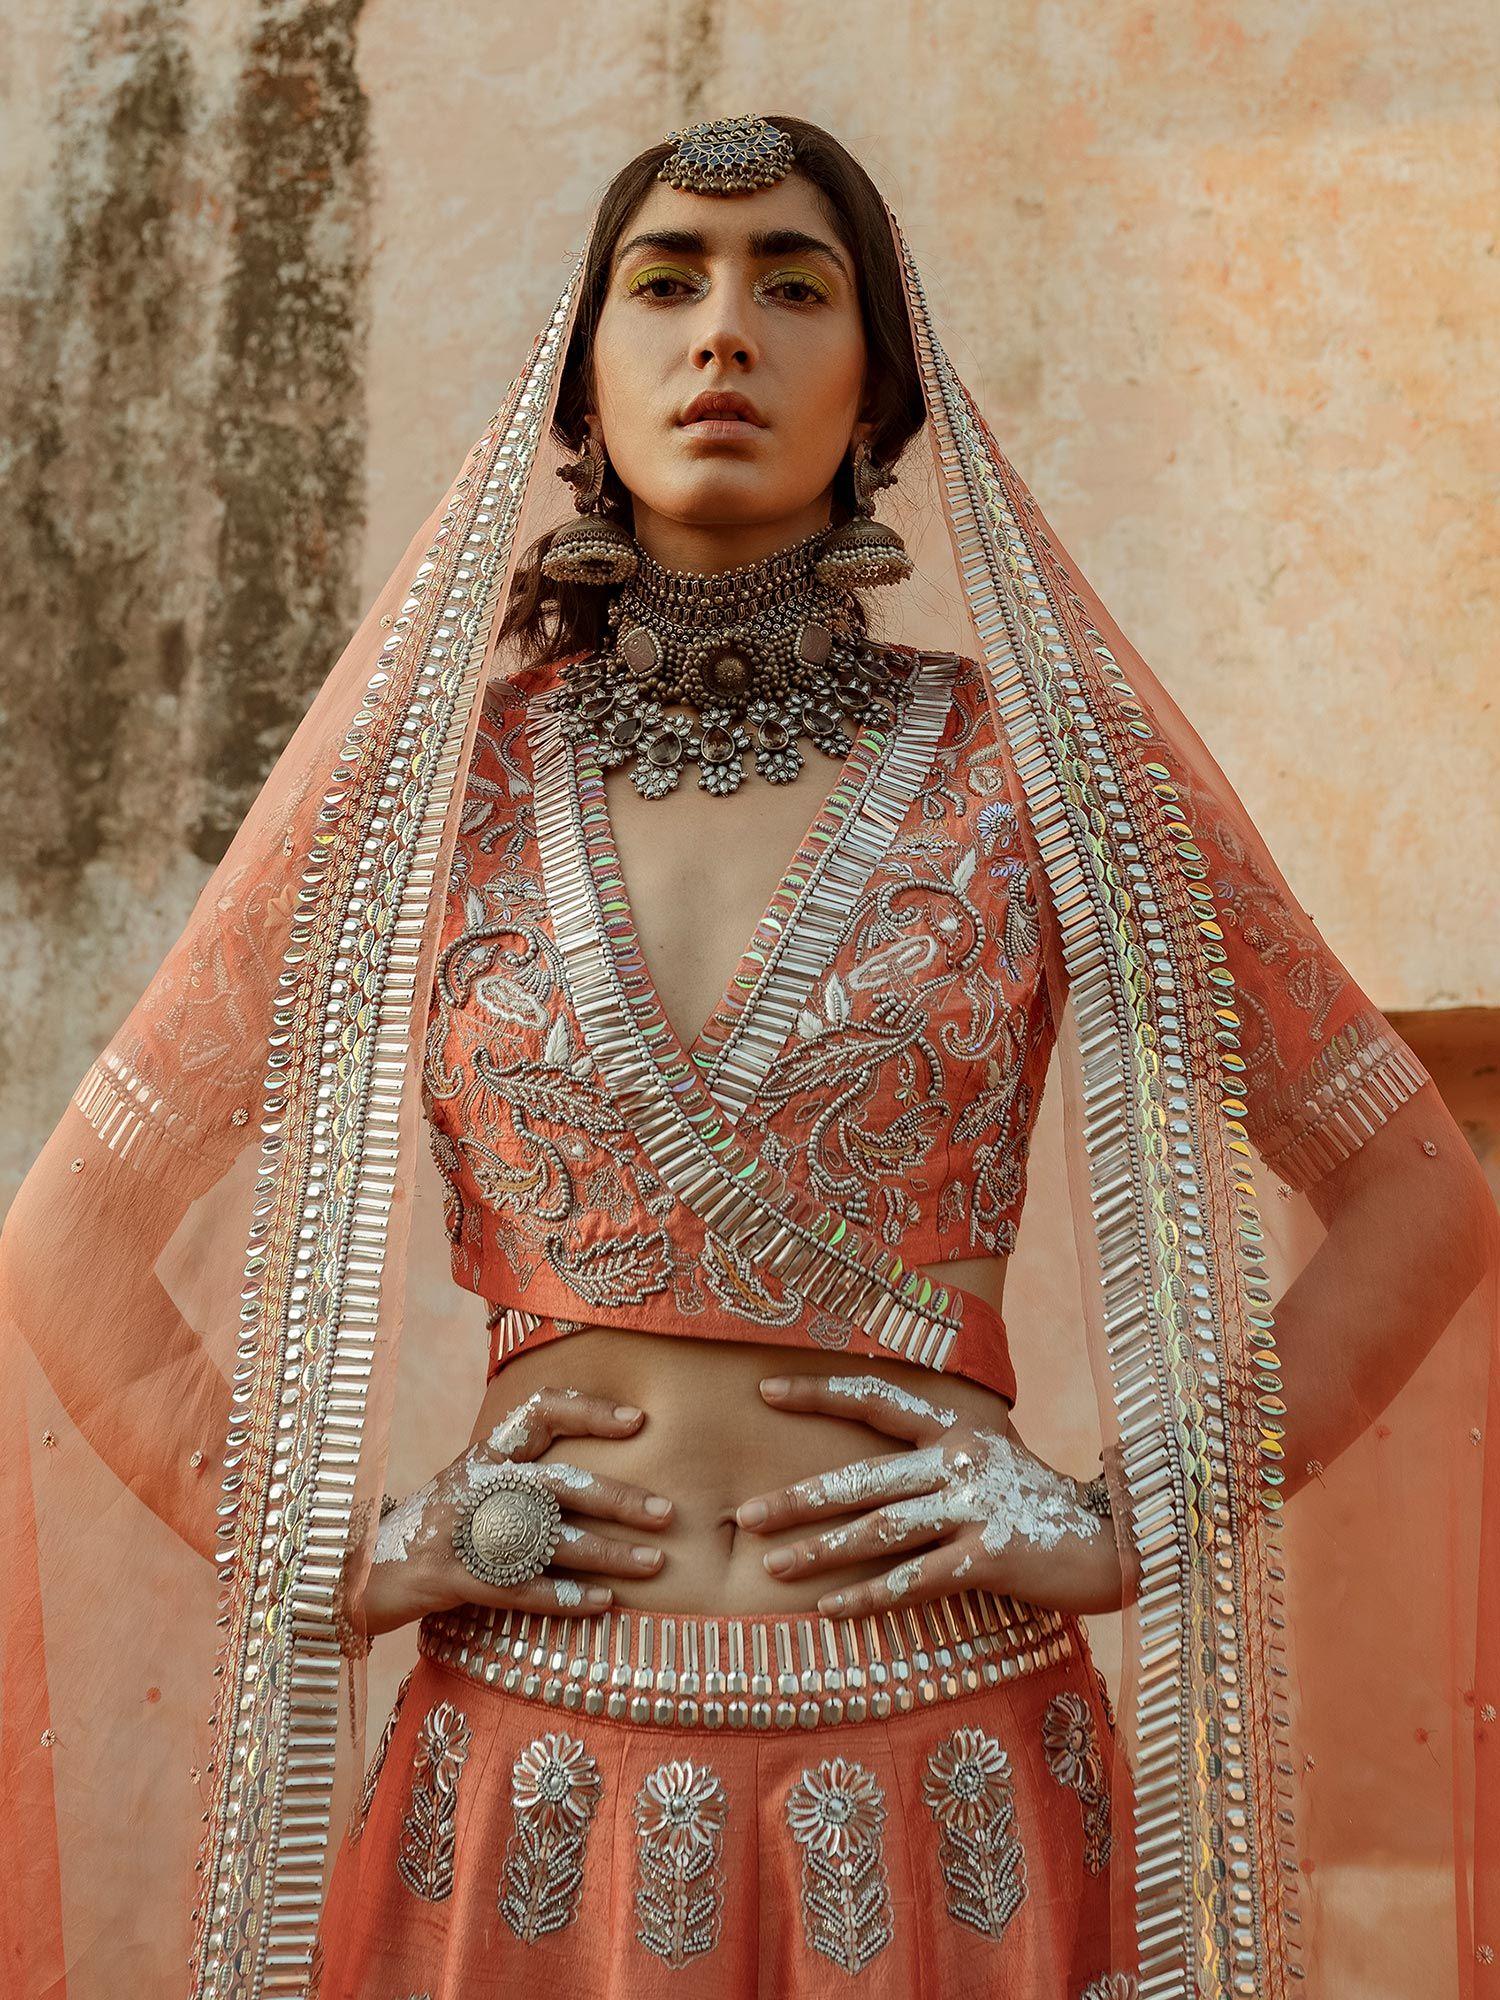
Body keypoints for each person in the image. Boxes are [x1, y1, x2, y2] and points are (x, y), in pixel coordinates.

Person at [1, 114, 1495, 2000]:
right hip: (523, 1787)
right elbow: (69, 1232)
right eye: (667, 282)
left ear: (880, 387)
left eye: (796, 285)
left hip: (953, 1772)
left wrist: (1131, 1518)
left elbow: (1416, 1195)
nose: (725, 333)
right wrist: (342, 1552)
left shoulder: (1045, 776)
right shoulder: (426, 792)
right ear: (584, 371)